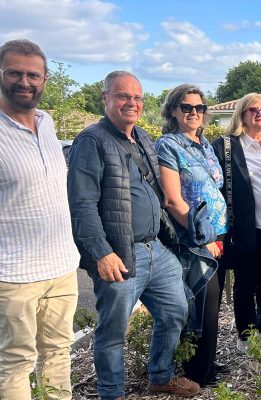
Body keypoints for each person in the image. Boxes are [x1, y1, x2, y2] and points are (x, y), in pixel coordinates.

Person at [68, 71, 199, 398]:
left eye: (137, 97)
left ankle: (161, 376)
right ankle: (112, 393)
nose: (132, 103)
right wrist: (101, 252)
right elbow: (82, 203)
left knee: (175, 311)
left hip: (155, 248)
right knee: (113, 331)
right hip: (119, 253)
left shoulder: (142, 136)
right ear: (105, 98)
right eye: (123, 96)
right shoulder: (92, 141)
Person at [0, 38, 81, 400]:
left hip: (62, 267)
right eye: (14, 73)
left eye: (33, 75)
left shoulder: (47, 123)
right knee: (15, 362)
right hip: (13, 274)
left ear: (45, 79)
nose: (24, 82)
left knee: (58, 353)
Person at [155, 84, 227, 387]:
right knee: (199, 306)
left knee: (213, 303)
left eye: (199, 108)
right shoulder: (169, 145)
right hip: (194, 241)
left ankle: (207, 362)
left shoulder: (204, 143)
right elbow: (172, 200)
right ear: (174, 110)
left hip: (217, 234)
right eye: (187, 107)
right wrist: (203, 237)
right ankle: (196, 372)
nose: (194, 113)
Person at [211, 93, 261, 352]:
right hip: (244, 226)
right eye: (253, 110)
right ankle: (245, 334)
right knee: (245, 281)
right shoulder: (226, 146)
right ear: (242, 115)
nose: (260, 114)